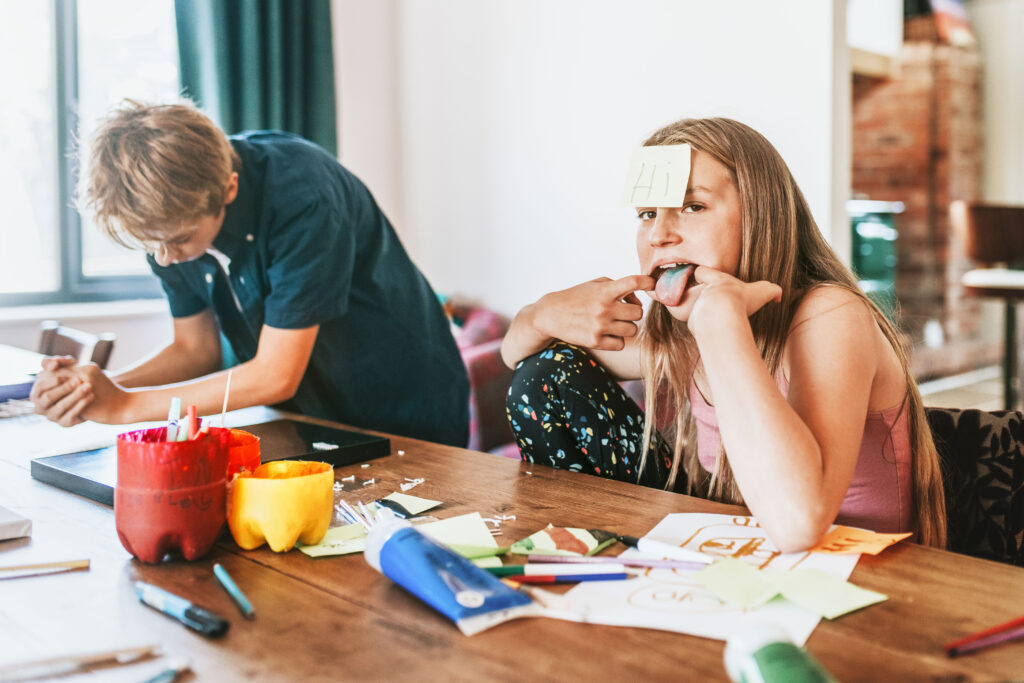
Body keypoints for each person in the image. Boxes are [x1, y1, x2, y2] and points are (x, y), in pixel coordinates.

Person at [501, 117, 946, 552]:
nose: (659, 234)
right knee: (544, 373)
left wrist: (720, 322)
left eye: (693, 207)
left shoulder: (829, 314)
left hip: (853, 577)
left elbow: (798, 527)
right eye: (647, 213)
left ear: (760, 216)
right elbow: (517, 359)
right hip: (731, 557)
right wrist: (539, 316)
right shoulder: (680, 340)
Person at [31, 99, 469, 447]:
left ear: (229, 188)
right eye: (151, 245)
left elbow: (275, 375)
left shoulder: (304, 197)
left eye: (178, 240)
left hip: (403, 408)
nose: (164, 258)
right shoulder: (167, 223)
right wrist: (96, 389)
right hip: (309, 420)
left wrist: (125, 408)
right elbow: (194, 349)